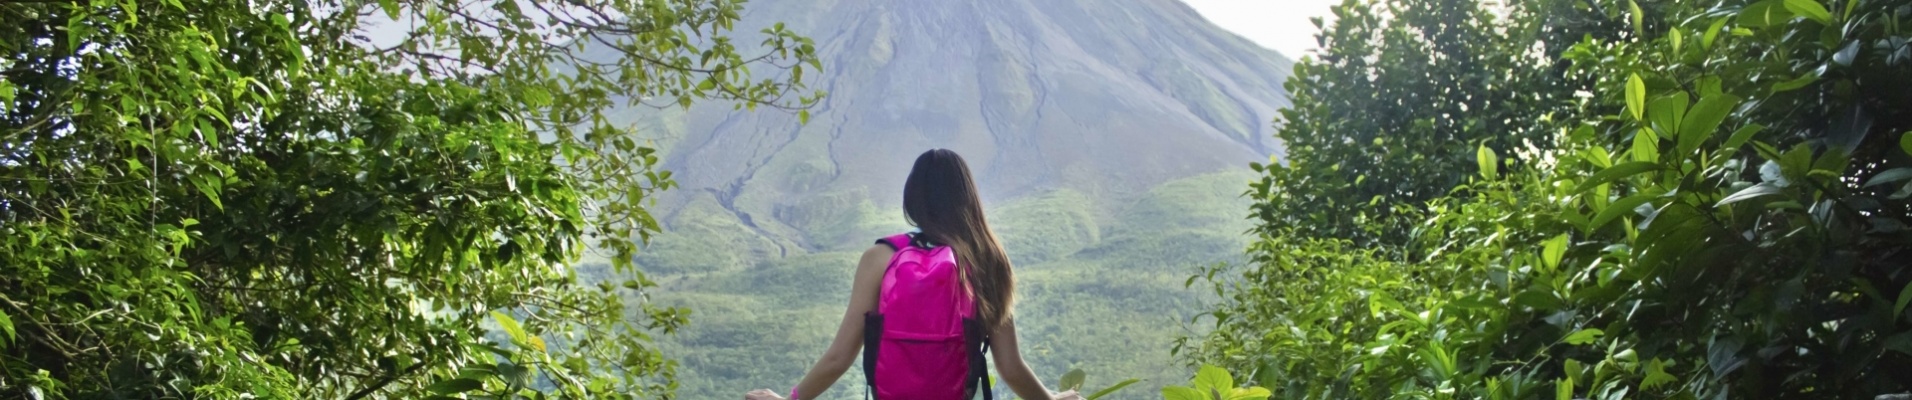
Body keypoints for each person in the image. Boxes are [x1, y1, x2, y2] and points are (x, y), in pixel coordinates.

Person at [745, 149, 1080, 400]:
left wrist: (789, 399)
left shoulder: (880, 259)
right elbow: (1011, 367)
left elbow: (839, 357)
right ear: (969, 199)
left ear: (912, 199)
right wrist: (1052, 399)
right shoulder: (986, 259)